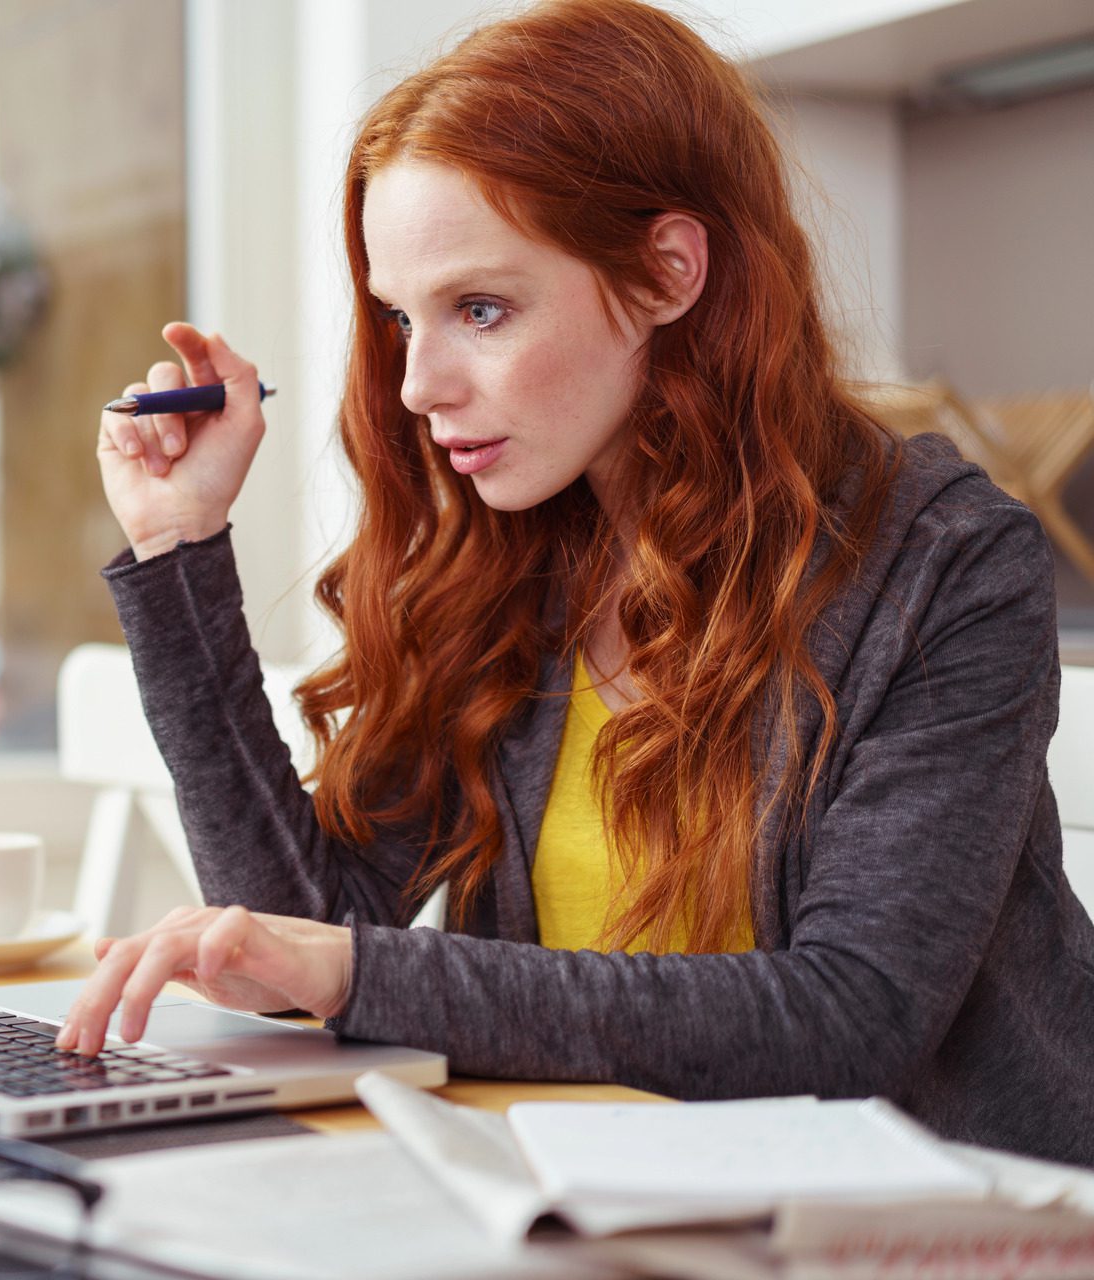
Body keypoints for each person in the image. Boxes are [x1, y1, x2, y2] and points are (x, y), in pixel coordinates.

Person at [60, 0, 1094, 1167]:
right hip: (600, 1195)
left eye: (481, 309)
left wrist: (353, 970)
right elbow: (307, 927)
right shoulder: (513, 559)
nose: (415, 384)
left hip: (947, 1220)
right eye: (402, 317)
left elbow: (849, 1017)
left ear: (665, 273)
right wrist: (179, 545)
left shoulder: (951, 562)